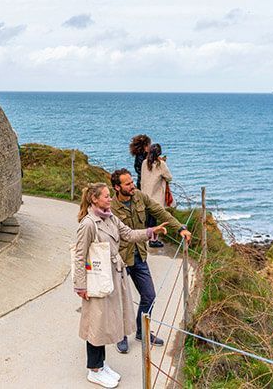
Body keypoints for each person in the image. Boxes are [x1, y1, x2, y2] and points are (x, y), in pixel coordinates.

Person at [73, 182, 169, 388]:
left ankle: (101, 364)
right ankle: (94, 370)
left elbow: (129, 234)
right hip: (97, 280)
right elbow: (79, 256)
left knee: (106, 321)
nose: (110, 199)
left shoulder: (110, 217)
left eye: (109, 195)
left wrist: (151, 230)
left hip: (113, 276)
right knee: (96, 324)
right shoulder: (89, 224)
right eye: (106, 196)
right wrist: (81, 286)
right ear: (94, 199)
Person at [110, 169, 192, 354]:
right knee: (121, 301)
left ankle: (142, 331)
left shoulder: (139, 196)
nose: (132, 186)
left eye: (132, 182)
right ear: (117, 187)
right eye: (127, 184)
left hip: (139, 255)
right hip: (120, 259)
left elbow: (159, 211)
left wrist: (180, 228)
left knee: (149, 296)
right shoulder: (111, 207)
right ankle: (121, 336)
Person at [130, 134, 164, 248]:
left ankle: (146, 235)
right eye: (149, 144)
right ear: (145, 146)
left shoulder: (142, 156)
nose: (150, 146)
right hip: (148, 188)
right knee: (152, 213)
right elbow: (147, 172)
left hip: (142, 186)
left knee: (146, 212)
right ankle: (152, 239)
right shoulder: (143, 158)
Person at [140, 143, 174, 210]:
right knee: (155, 217)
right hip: (156, 198)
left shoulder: (144, 162)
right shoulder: (161, 164)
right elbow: (169, 178)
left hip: (144, 196)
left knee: (148, 218)